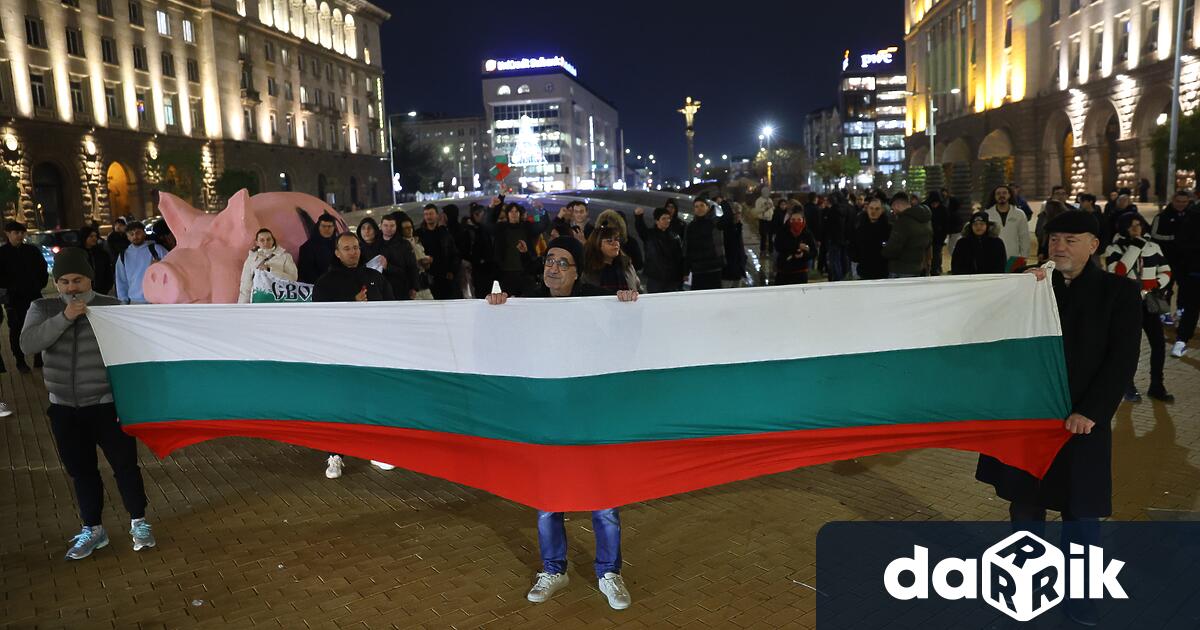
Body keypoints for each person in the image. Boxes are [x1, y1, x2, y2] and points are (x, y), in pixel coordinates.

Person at [975, 211, 1140, 625]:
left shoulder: (1117, 293)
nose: (1059, 247)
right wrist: (1016, 293)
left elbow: (1122, 360)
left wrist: (1092, 411)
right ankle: (1024, 587)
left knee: (1081, 514)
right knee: (1026, 507)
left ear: (1093, 245)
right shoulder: (1031, 285)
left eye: (1070, 239)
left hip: (1081, 423)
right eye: (1053, 239)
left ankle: (1081, 599)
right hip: (1031, 420)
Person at [484, 236, 635, 610]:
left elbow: (623, 343)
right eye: (550, 260)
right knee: (549, 496)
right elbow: (501, 341)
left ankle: (609, 572)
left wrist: (627, 308)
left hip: (590, 414)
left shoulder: (597, 301)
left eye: (562, 262)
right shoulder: (527, 303)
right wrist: (497, 309)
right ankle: (554, 568)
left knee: (604, 497)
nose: (553, 267)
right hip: (546, 414)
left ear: (577, 271)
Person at [21, 248, 155, 560]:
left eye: (77, 280)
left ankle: (139, 522)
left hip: (107, 405)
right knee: (81, 471)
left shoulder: (111, 307)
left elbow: (134, 349)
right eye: (64, 281)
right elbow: (28, 344)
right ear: (56, 284)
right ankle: (93, 529)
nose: (71, 288)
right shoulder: (42, 308)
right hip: (64, 408)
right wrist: (65, 318)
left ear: (89, 279)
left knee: (125, 466)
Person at [312, 234, 394, 478]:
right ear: (337, 252)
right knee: (340, 404)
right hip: (340, 354)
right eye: (346, 248)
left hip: (374, 352)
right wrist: (351, 303)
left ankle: (377, 450)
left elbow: (393, 310)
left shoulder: (375, 278)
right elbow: (318, 318)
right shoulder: (325, 282)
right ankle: (334, 454)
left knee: (375, 400)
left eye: (356, 247)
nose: (353, 252)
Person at [1104, 213, 1174, 403]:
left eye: (1139, 225)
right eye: (1132, 226)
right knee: (1129, 347)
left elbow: (1166, 270)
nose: (1137, 229)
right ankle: (1128, 386)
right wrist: (1135, 247)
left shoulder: (1153, 246)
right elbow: (1118, 272)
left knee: (1158, 344)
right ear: (1123, 228)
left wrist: (1152, 285)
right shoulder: (1114, 248)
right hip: (1127, 305)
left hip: (1149, 302)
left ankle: (1157, 385)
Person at [0, 221, 50, 372]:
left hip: (33, 295)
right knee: (16, 328)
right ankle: (20, 360)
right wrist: (10, 288)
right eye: (16, 233)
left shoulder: (32, 250)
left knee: (38, 325)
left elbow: (43, 269)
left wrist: (39, 284)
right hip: (14, 298)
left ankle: (38, 356)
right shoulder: (2, 253)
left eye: (22, 233)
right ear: (8, 233)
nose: (19, 236)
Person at [1151, 191, 1191, 326]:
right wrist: (1173, 238)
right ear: (1173, 201)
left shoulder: (1192, 215)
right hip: (1166, 259)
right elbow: (1154, 235)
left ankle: (1180, 312)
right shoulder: (1162, 216)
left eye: (1184, 202)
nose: (1181, 204)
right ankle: (1164, 313)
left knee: (1185, 287)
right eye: (1179, 201)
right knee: (1164, 287)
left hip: (1186, 260)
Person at [1172, 192, 1200, 358]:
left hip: (1193, 271)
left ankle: (1181, 341)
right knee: (1191, 308)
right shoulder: (1194, 216)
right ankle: (1181, 341)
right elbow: (1182, 246)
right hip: (1195, 272)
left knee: (1191, 308)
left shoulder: (1192, 215)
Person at [237, 228, 298, 303]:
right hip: (257, 300)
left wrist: (270, 270)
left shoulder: (285, 257)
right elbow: (245, 285)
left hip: (278, 300)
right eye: (262, 240)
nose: (266, 242)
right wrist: (243, 306)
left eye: (268, 239)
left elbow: (293, 279)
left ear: (273, 240)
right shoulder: (251, 259)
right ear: (257, 242)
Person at [113, 221, 168, 305]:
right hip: (135, 301)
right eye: (131, 234)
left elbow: (171, 270)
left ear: (144, 233)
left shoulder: (157, 250)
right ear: (127, 237)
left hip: (157, 301)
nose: (135, 236)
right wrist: (123, 301)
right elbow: (121, 280)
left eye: (138, 233)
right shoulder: (123, 256)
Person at [881, 192, 933, 279]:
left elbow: (893, 248)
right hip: (918, 267)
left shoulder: (902, 222)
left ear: (896, 205)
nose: (892, 211)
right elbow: (929, 243)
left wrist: (884, 251)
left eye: (892, 208)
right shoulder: (925, 219)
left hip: (900, 269)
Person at [634, 207, 685, 293]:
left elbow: (679, 257)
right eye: (663, 218)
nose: (667, 221)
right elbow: (640, 228)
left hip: (671, 278)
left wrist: (682, 273)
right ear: (657, 221)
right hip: (655, 277)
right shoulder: (650, 235)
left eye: (668, 218)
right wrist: (639, 217)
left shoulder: (675, 237)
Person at [416, 204, 461, 299]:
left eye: (431, 214)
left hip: (444, 276)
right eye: (426, 214)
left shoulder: (444, 232)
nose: (428, 216)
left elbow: (453, 253)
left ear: (437, 215)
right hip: (427, 276)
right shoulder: (419, 234)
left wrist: (452, 271)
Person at [582, 225, 643, 293]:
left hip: (629, 303)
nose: (616, 243)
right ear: (597, 244)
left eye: (617, 239)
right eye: (609, 241)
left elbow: (638, 289)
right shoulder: (588, 270)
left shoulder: (627, 265)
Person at [493, 203, 537, 296]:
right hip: (506, 273)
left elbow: (541, 225)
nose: (513, 214)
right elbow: (488, 223)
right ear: (507, 214)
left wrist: (539, 210)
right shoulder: (501, 228)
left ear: (520, 214)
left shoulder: (527, 226)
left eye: (516, 211)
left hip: (525, 272)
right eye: (511, 211)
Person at [682, 198, 726, 290]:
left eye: (702, 205)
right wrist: (685, 270)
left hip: (714, 267)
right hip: (698, 270)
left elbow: (728, 218)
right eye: (696, 206)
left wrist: (723, 203)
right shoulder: (691, 227)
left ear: (708, 207)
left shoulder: (715, 222)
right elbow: (687, 248)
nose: (699, 208)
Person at [984, 185, 1031, 268]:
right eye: (998, 194)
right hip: (992, 258)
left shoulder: (1019, 214)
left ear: (1009, 195)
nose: (1001, 195)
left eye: (1004, 193)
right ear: (994, 197)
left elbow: (1024, 237)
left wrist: (1024, 257)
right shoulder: (987, 214)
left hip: (1014, 258)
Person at [379, 213, 420, 301]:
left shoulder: (404, 244)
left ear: (396, 226)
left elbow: (412, 267)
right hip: (381, 290)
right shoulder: (376, 244)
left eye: (392, 225)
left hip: (401, 288)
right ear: (381, 226)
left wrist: (414, 287)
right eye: (386, 225)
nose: (389, 228)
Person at [851, 197, 891, 280]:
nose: (873, 212)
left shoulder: (888, 229)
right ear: (867, 209)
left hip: (882, 273)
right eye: (871, 208)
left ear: (882, 210)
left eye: (877, 209)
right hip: (863, 272)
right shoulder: (860, 227)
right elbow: (854, 247)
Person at [774, 209, 816, 285]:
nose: (796, 222)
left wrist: (804, 255)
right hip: (784, 270)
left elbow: (814, 252)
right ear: (789, 220)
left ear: (803, 220)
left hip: (801, 271)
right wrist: (796, 246)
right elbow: (778, 246)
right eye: (793, 220)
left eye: (799, 220)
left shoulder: (807, 233)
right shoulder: (783, 232)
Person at [398, 214, 434, 300]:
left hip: (423, 282)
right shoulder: (401, 245)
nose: (409, 230)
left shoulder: (417, 241)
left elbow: (424, 261)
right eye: (406, 228)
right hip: (412, 284)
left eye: (410, 227)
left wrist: (427, 261)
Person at [297, 213, 338, 284]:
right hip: (320, 286)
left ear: (334, 228)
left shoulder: (340, 244)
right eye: (323, 226)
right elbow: (306, 273)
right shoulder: (307, 248)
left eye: (330, 226)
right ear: (318, 227)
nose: (327, 229)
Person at [78, 226, 114, 296]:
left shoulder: (102, 253)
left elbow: (108, 271)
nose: (94, 238)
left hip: (101, 291)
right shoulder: (77, 253)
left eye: (95, 236)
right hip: (82, 291)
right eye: (91, 236)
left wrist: (107, 286)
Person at [721, 203, 747, 287]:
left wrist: (743, 260)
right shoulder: (727, 228)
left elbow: (740, 248)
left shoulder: (737, 226)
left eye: (740, 213)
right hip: (728, 271)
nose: (739, 216)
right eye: (737, 213)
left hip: (738, 269)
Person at [924, 191, 950, 276]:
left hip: (938, 237)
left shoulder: (943, 210)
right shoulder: (925, 208)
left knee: (937, 255)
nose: (935, 205)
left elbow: (946, 224)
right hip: (927, 236)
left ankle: (936, 270)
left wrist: (943, 236)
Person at [754, 188, 775, 255]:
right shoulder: (759, 200)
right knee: (763, 236)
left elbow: (772, 208)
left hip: (770, 220)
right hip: (763, 220)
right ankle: (763, 250)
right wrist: (765, 208)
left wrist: (772, 208)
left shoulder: (770, 200)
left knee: (770, 236)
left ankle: (771, 250)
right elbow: (757, 210)